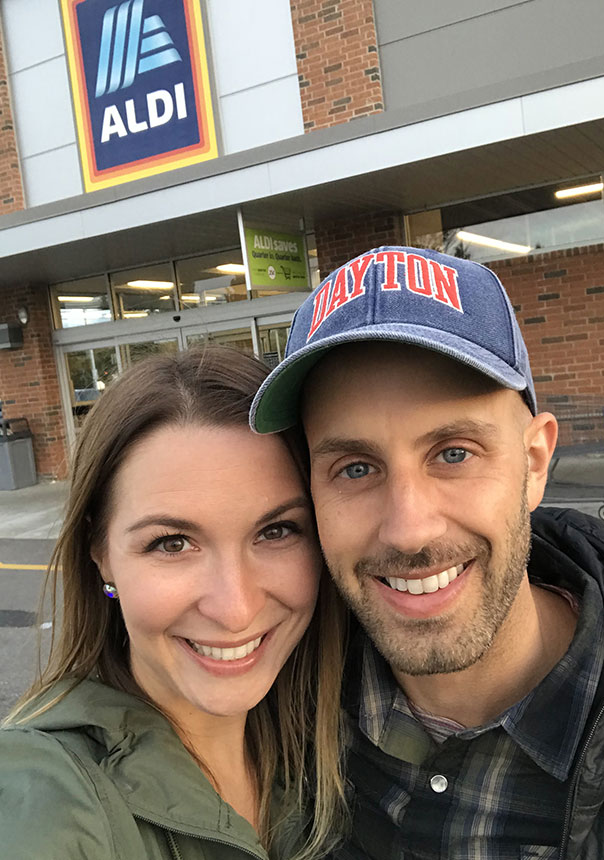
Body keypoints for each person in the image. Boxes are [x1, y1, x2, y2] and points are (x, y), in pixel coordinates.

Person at [250, 246, 604, 860]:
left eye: (454, 453)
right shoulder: (274, 699)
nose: (408, 530)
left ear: (534, 464)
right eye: (355, 468)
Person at [0, 347, 346, 860]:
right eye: (172, 543)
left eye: (276, 531)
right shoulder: (50, 797)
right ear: (101, 555)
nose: (236, 609)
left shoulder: (332, 732)